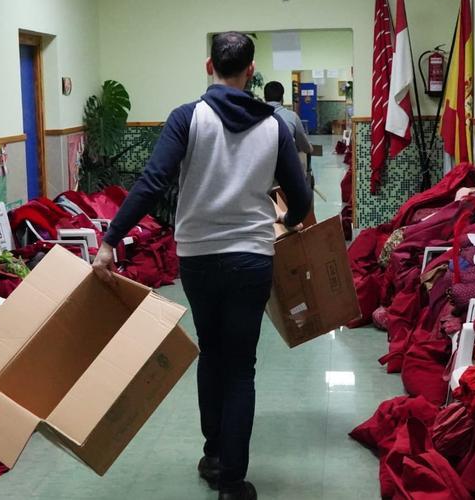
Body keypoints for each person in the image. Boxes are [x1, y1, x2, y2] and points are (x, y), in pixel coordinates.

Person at [91, 32, 312, 500]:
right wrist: (288, 222)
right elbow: (301, 195)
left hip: (198, 260)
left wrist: (111, 239)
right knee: (241, 368)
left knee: (211, 354)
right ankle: (233, 481)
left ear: (208, 65)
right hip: (252, 258)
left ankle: (213, 455)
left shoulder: (188, 118)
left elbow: (152, 183)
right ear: (251, 71)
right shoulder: (274, 125)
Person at [262, 81, 314, 155]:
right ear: (282, 98)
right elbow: (304, 145)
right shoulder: (292, 116)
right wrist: (310, 148)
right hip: (285, 163)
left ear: (264, 98)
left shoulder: (255, 116)